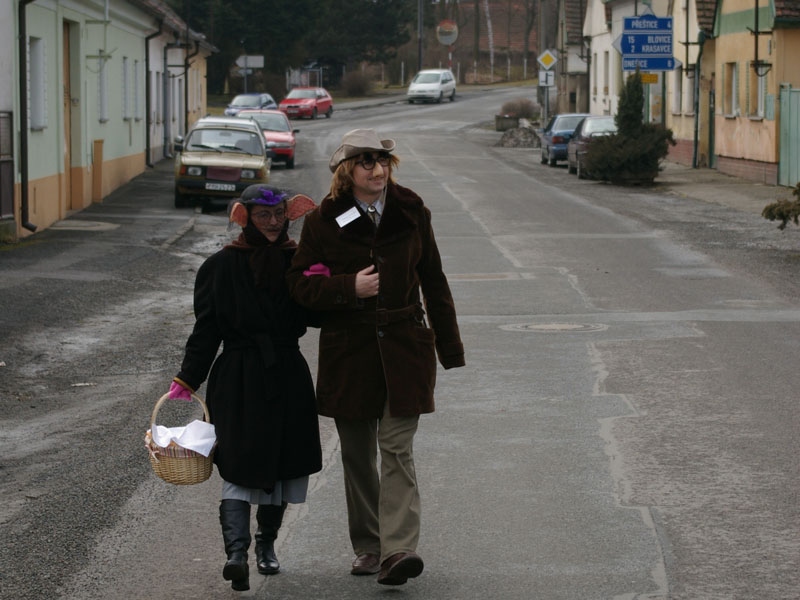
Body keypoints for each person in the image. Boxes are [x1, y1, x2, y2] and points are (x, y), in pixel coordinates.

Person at [286, 129, 465, 586]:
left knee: (396, 447)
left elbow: (434, 279)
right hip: (350, 352)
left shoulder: (411, 210)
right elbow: (299, 286)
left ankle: (398, 549)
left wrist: (449, 347)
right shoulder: (324, 220)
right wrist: (350, 287)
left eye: (382, 160)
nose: (377, 169)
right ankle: (368, 546)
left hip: (406, 347)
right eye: (366, 161)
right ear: (348, 171)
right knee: (357, 453)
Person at [169, 184, 321, 592]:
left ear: (289, 215)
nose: (273, 222)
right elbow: (207, 330)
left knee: (283, 462)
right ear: (245, 218)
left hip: (286, 372)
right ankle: (236, 555)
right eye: (263, 215)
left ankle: (265, 546)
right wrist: (187, 378)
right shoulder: (220, 266)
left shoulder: (299, 260)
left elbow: (318, 316)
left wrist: (320, 285)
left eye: (279, 215)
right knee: (238, 461)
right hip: (238, 378)